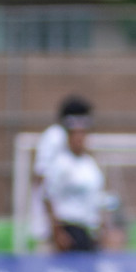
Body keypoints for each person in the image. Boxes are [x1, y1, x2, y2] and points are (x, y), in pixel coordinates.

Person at [30, 96, 91, 249]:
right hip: (53, 216)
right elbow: (41, 175)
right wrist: (51, 222)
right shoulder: (55, 136)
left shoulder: (82, 160)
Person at [43, 117, 105, 252]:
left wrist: (99, 226)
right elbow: (48, 196)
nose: (79, 139)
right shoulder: (61, 163)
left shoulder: (90, 164)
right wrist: (58, 232)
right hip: (69, 226)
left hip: (88, 227)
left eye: (82, 134)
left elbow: (96, 196)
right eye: (76, 134)